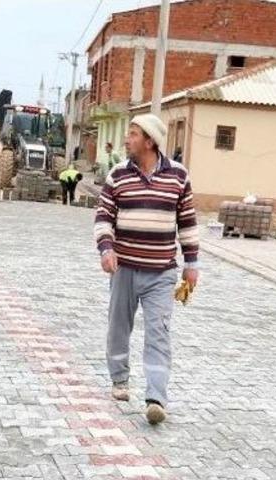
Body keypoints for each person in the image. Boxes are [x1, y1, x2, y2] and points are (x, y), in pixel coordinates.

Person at [93, 113, 199, 425]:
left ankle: (156, 397)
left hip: (161, 273)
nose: (127, 139)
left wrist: (192, 264)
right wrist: (106, 248)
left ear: (150, 141)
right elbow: (103, 216)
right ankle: (119, 379)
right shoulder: (118, 174)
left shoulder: (178, 176)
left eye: (134, 134)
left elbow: (188, 223)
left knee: (158, 333)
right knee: (118, 327)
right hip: (124, 268)